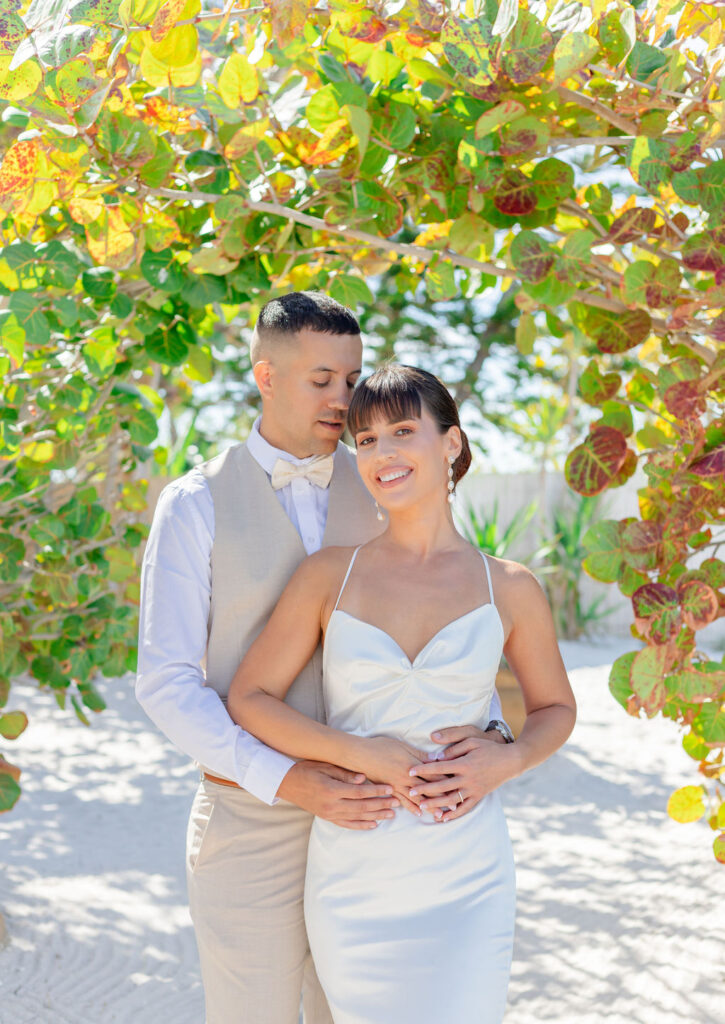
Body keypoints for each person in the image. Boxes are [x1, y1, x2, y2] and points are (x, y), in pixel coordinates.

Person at [136, 294, 511, 1024]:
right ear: (264, 377)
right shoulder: (194, 504)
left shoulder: (385, 483)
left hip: (389, 828)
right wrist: (286, 778)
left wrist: (490, 735)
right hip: (252, 817)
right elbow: (167, 685)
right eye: (321, 380)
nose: (345, 401)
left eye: (352, 377)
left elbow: (455, 614)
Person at [227, 363, 577, 1024]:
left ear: (451, 444)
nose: (382, 453)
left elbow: (556, 710)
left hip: (466, 871)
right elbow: (250, 698)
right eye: (365, 440)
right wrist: (365, 755)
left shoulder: (509, 585)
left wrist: (506, 758)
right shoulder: (328, 574)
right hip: (356, 870)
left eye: (402, 431)